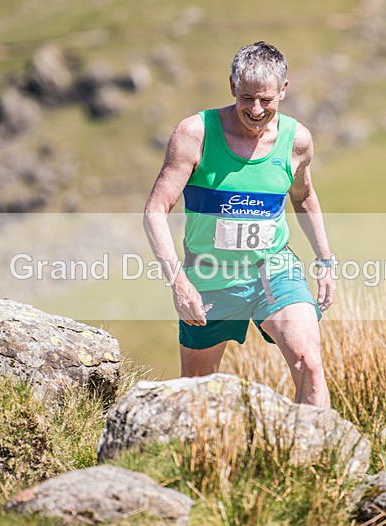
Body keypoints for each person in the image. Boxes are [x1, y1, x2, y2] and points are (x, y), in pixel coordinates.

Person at [143, 41, 336, 407]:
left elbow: (304, 196)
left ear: (283, 90)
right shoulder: (195, 134)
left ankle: (318, 459)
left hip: (274, 270)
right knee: (197, 392)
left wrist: (325, 261)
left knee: (309, 363)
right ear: (232, 86)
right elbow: (155, 210)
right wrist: (179, 283)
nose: (256, 109)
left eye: (266, 99)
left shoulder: (297, 141)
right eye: (247, 98)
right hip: (210, 278)